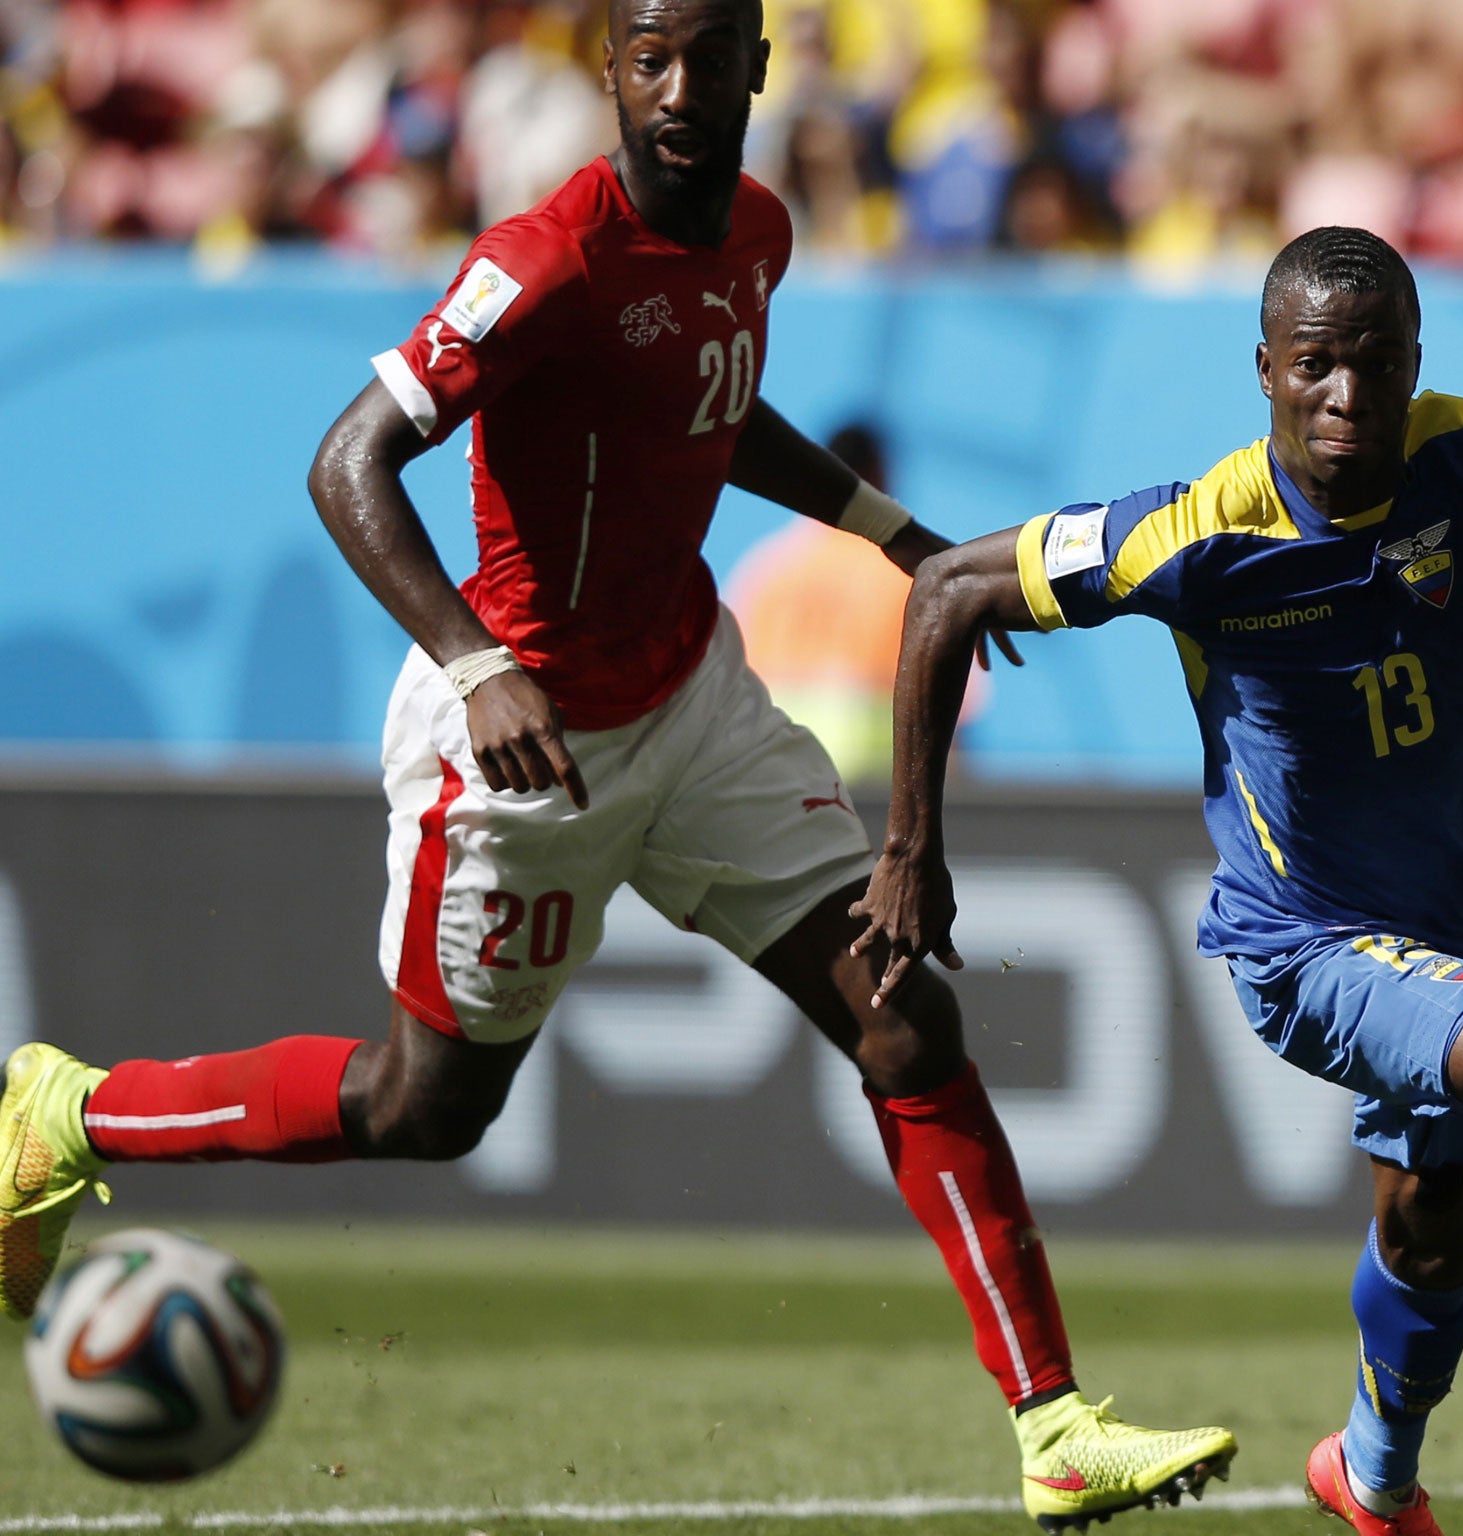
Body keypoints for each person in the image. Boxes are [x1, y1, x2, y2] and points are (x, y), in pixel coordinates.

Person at [0, 2, 1236, 1527]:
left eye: (707, 56)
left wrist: (892, 533)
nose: (678, 86)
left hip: (693, 698)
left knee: (904, 1016)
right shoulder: (544, 262)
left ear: (758, 68)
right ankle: (72, 1113)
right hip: (522, 743)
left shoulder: (759, 231)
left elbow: (712, 410)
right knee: (425, 1110)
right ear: (608, 70)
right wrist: (478, 665)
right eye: (648, 57)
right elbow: (347, 460)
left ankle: (1055, 1425)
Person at [853, 226, 1463, 1536]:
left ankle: (1371, 1476)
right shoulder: (1199, 531)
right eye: (1316, 363)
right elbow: (943, 591)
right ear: (1265, 368)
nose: (1347, 394)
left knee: (1431, 1226)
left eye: (1376, 362)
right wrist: (909, 849)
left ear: (1415, 361)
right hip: (1313, 943)